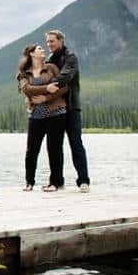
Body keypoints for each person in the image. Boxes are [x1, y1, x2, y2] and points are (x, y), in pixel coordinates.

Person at [27, 30, 91, 193]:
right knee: (56, 146)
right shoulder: (49, 61)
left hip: (71, 107)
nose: (49, 44)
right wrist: (36, 93)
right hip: (56, 111)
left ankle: (83, 181)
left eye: (52, 41)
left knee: (75, 143)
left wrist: (43, 91)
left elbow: (64, 78)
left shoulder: (71, 58)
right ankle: (57, 181)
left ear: (61, 40)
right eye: (47, 42)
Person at [17, 44, 69, 192]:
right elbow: (26, 89)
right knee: (31, 150)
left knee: (54, 149)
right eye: (40, 49)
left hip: (56, 113)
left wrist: (45, 98)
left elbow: (64, 88)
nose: (43, 50)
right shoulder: (23, 74)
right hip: (35, 115)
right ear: (32, 54)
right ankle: (29, 182)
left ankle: (55, 183)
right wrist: (47, 88)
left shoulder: (51, 68)